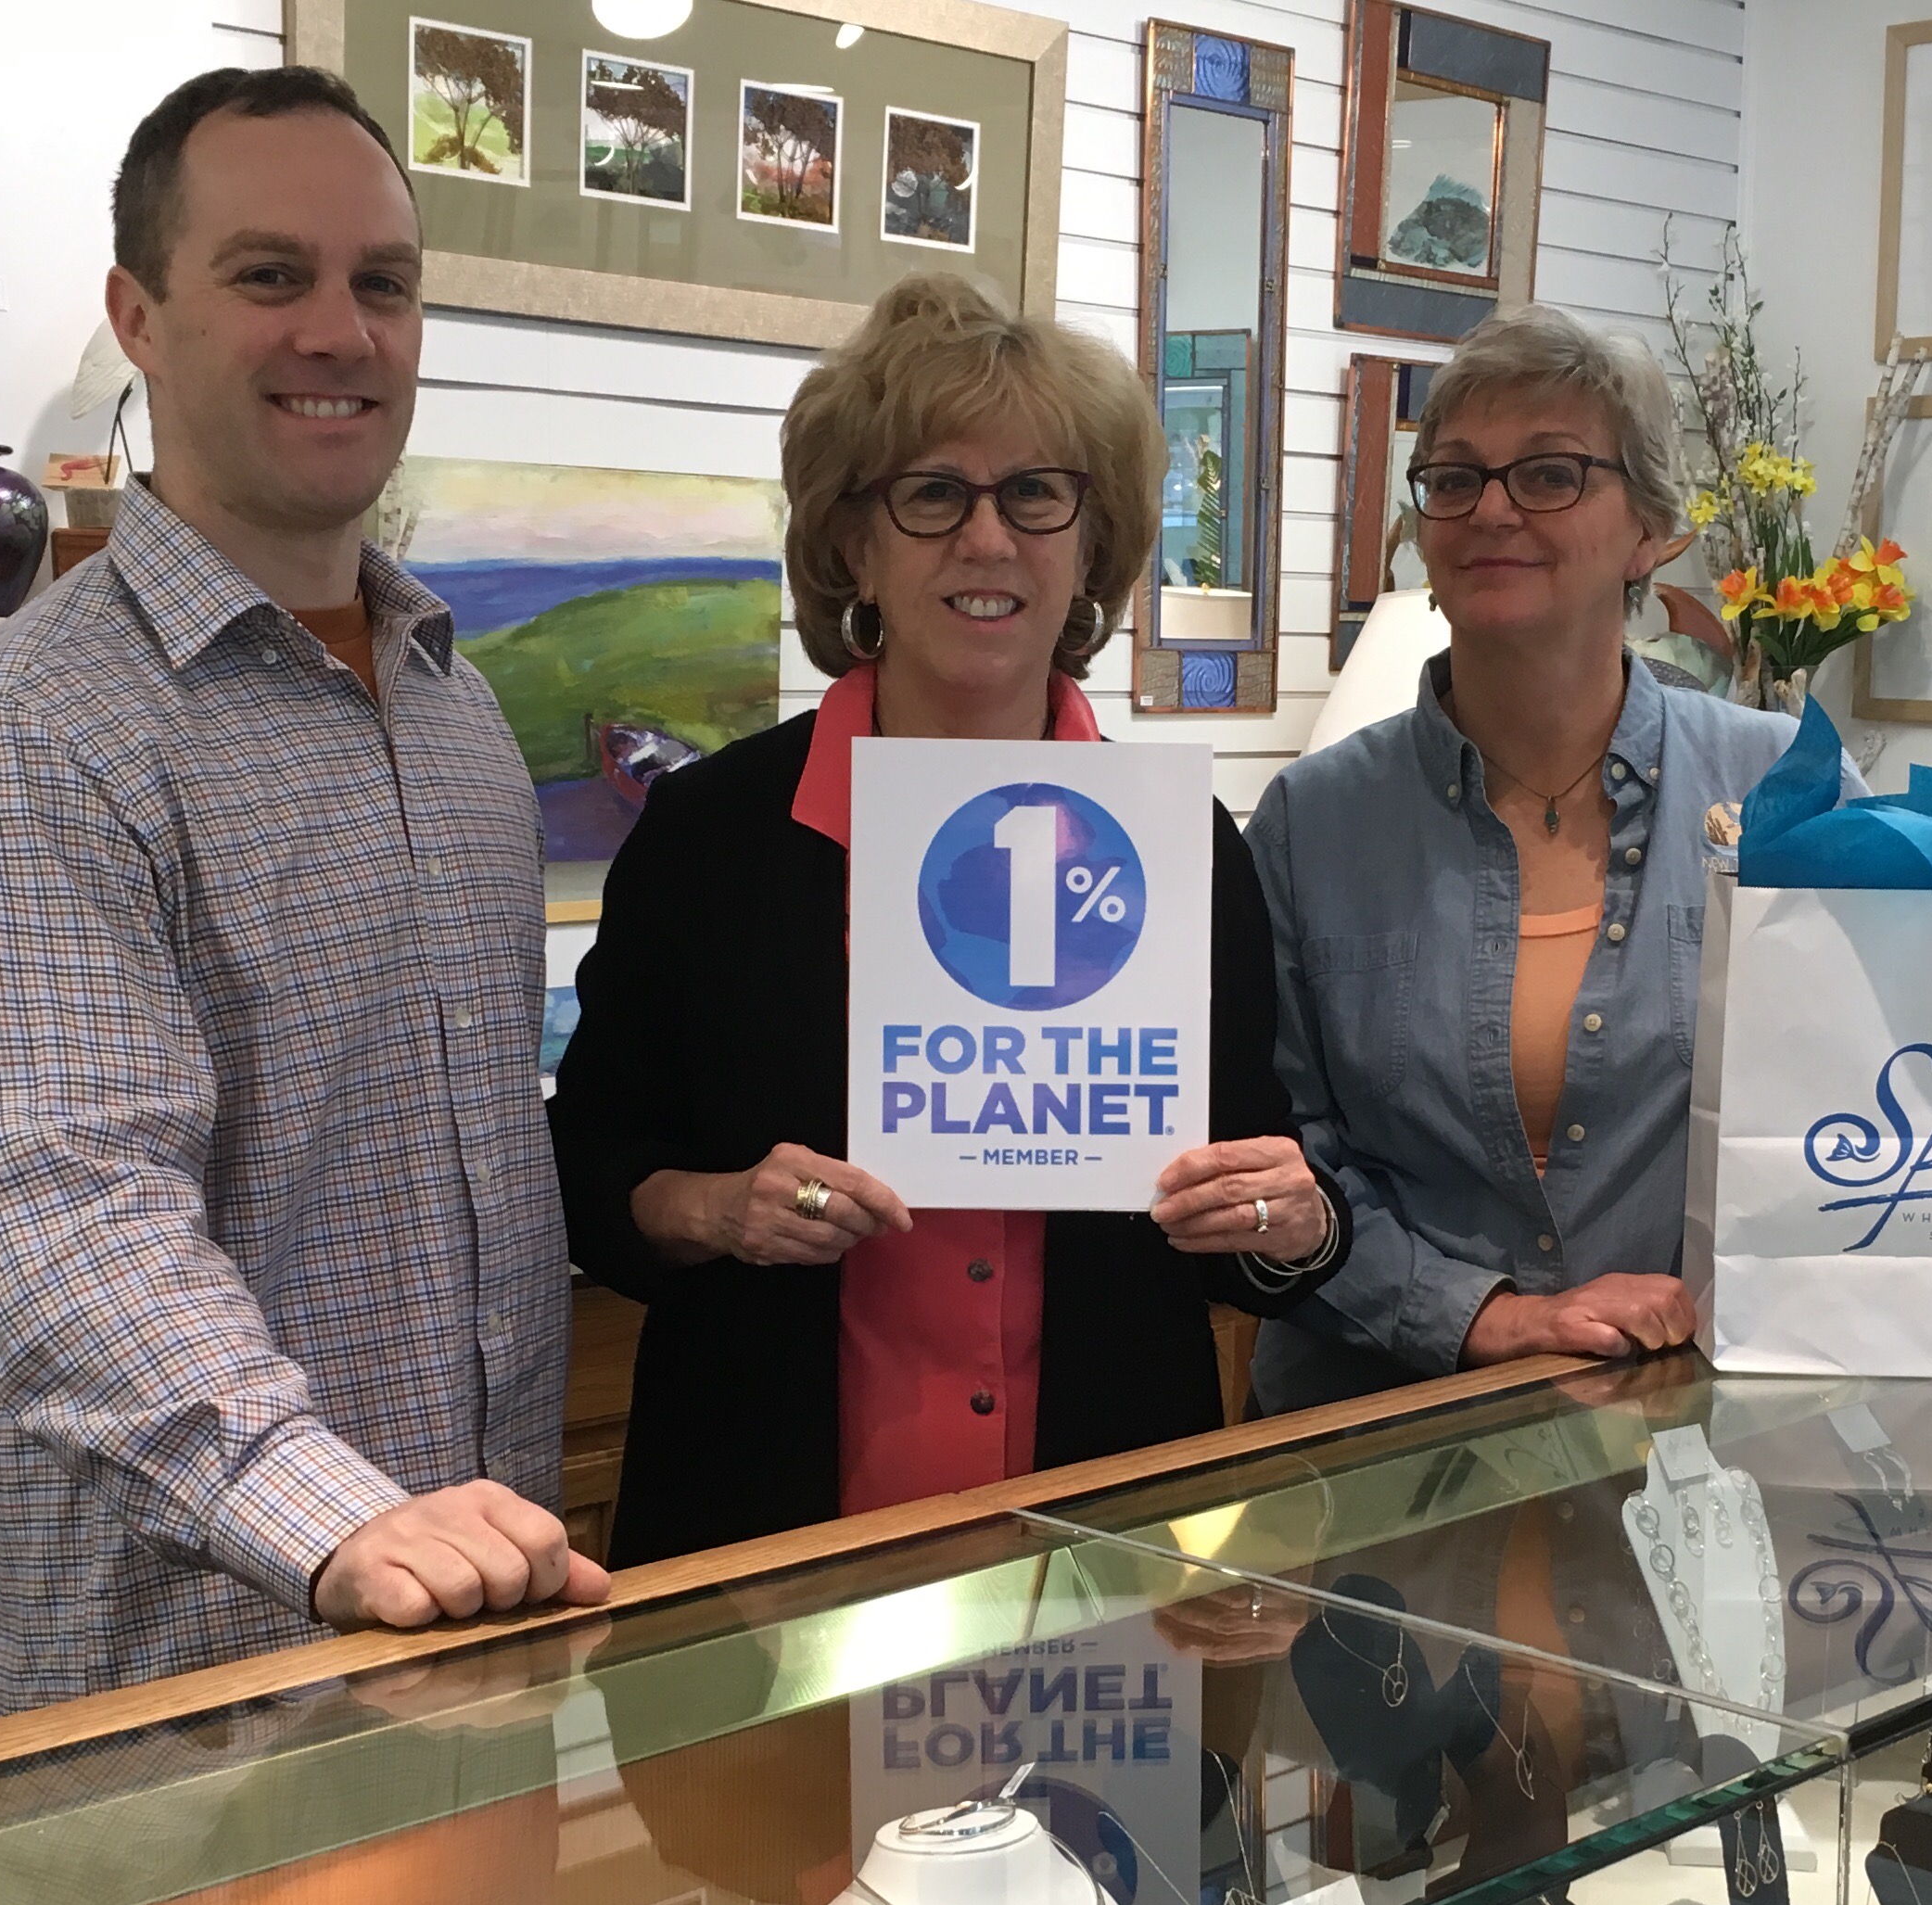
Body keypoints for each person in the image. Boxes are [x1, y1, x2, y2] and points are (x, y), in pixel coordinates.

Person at [0, 68, 604, 1715]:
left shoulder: (455, 708)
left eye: (382, 282)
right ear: (139, 315)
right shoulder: (34, 736)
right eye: (270, 276)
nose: (338, 331)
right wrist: (344, 1521)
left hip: (481, 1633)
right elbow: (65, 1213)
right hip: (193, 1699)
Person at [549, 274, 1347, 1561]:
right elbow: (588, 1177)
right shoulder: (713, 837)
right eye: (931, 494)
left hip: (1102, 1562)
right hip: (769, 1551)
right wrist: (717, 1209)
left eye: (1037, 493)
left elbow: (1249, 1221)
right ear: (854, 543)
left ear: (1094, 539)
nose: (988, 540)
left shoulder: (1181, 844)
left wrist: (1289, 1223)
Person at [1244, 304, 1800, 1414]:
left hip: (1694, 1434)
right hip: (1379, 1449)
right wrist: (1480, 1316)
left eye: (1548, 474)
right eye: (1453, 479)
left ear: (1651, 530)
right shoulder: (1311, 821)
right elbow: (1274, 1158)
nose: (1490, 510)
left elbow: (1867, 1111)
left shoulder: (1783, 793)